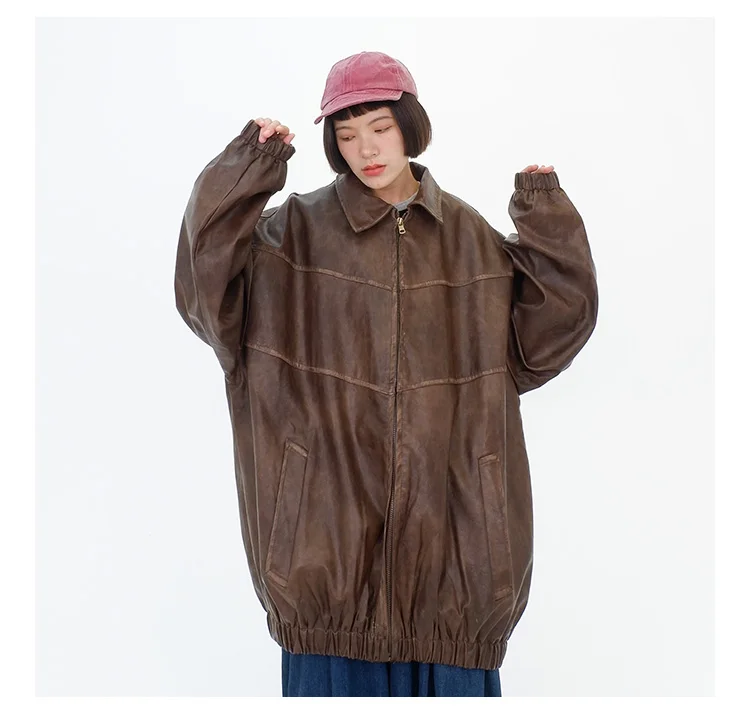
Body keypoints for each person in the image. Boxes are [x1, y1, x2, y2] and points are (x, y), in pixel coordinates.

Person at [174, 51, 598, 697]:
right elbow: (203, 291)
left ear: (410, 125)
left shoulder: (470, 239)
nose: (365, 149)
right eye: (346, 134)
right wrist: (245, 171)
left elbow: (548, 339)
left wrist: (548, 222)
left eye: (379, 127)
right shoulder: (289, 238)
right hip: (323, 593)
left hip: (458, 591)